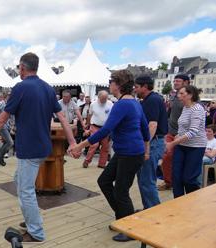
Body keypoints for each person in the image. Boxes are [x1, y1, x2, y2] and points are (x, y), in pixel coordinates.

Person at [0, 52, 78, 243]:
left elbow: (3, 117)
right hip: (42, 147)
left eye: (18, 68)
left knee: (25, 190)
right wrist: (71, 142)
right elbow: (62, 117)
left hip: (29, 148)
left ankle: (36, 232)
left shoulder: (20, 88)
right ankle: (31, 217)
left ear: (22, 67)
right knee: (20, 181)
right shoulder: (47, 88)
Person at [70, 70, 150, 242]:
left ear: (118, 84)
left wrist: (79, 145)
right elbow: (144, 130)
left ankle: (129, 229)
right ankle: (123, 217)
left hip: (130, 154)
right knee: (104, 181)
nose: (109, 84)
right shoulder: (134, 103)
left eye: (111, 81)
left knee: (121, 191)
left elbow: (106, 130)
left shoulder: (122, 104)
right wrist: (146, 150)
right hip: (128, 152)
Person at [166, 85, 207, 198]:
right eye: (178, 93)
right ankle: (177, 202)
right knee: (176, 177)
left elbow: (193, 131)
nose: (178, 96)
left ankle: (191, 201)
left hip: (195, 147)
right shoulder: (185, 108)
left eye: (181, 94)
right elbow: (182, 128)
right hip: (181, 145)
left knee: (189, 178)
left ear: (190, 95)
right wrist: (177, 137)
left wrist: (173, 143)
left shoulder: (197, 109)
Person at [134, 75, 168, 209]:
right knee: (143, 179)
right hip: (153, 142)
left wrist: (145, 147)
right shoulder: (147, 100)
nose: (135, 89)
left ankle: (153, 211)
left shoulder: (153, 100)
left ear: (145, 86)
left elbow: (152, 125)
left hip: (153, 143)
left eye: (137, 87)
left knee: (147, 180)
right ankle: (148, 209)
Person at [159, 74, 190, 191]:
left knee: (175, 158)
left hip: (183, 135)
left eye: (178, 81)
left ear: (186, 82)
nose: (175, 83)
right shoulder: (173, 96)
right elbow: (170, 112)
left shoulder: (190, 98)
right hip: (170, 132)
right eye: (174, 81)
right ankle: (168, 182)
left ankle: (176, 182)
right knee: (166, 156)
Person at [83, 90, 113, 168]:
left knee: (105, 146)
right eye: (103, 98)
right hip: (95, 126)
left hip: (105, 128)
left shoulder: (110, 104)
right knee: (94, 144)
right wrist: (88, 125)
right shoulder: (93, 104)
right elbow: (89, 115)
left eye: (106, 98)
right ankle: (87, 161)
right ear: (98, 97)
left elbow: (112, 116)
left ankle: (102, 164)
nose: (104, 100)